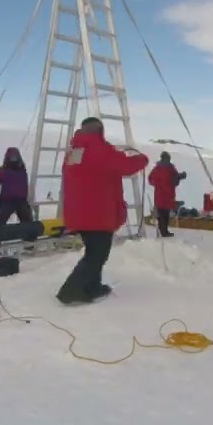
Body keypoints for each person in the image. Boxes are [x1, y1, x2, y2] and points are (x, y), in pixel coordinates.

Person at [56, 117, 150, 305]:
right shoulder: (100, 151)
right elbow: (126, 166)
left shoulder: (74, 152)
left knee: (94, 251)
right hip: (97, 213)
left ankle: (92, 288)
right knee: (97, 254)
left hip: (79, 212)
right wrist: (142, 159)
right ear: (100, 131)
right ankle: (70, 290)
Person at [146, 151, 187, 238]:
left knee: (162, 213)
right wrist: (181, 176)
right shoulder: (170, 168)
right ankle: (164, 232)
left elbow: (150, 179)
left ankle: (163, 231)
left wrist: (158, 184)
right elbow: (175, 179)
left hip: (160, 195)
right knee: (165, 214)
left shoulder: (157, 168)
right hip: (167, 195)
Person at [0, 146, 33, 226]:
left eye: (15, 157)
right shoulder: (2, 170)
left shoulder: (22, 169)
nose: (13, 159)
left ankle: (29, 235)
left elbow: (25, 184)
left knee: (28, 221)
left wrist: (27, 197)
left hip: (21, 200)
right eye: (12, 157)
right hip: (7, 201)